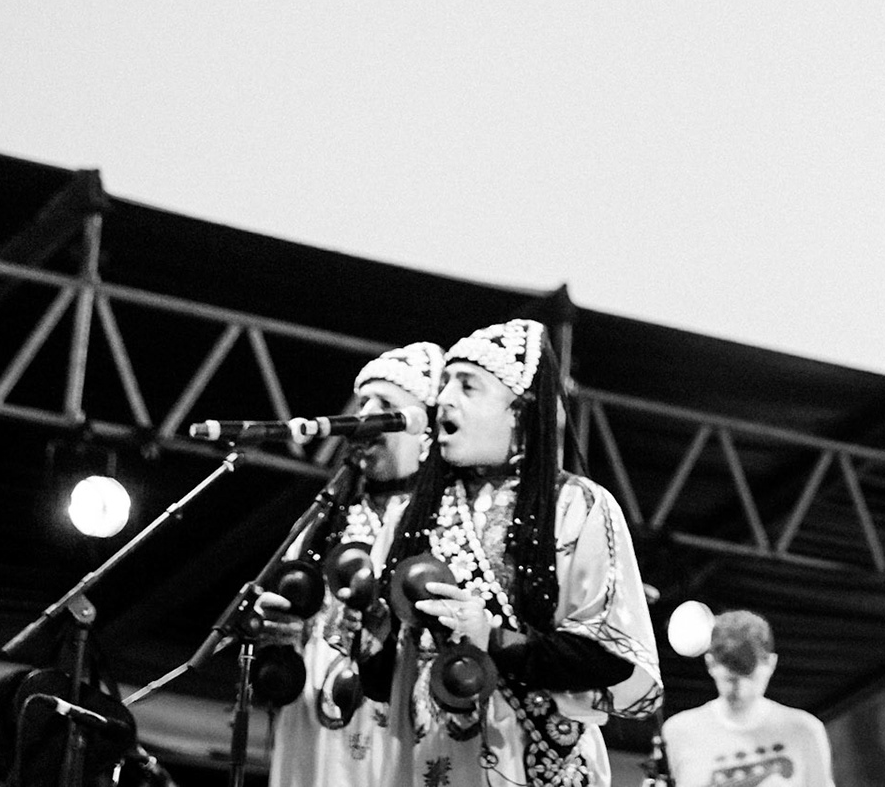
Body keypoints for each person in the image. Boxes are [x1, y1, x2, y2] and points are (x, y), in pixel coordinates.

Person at [381, 317, 662, 786]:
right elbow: (384, 676)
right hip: (436, 760)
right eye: (445, 383)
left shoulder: (578, 505)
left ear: (520, 411)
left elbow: (610, 656)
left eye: (468, 387)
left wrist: (491, 638)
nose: (445, 398)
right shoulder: (416, 515)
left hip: (539, 764)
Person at [266, 340, 443, 787]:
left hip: (402, 723)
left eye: (385, 405)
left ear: (427, 428)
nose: (365, 415)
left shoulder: (450, 525)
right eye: (363, 402)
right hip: (317, 728)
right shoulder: (323, 521)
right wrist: (275, 630)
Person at [661, 610, 835, 787]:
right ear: (710, 663)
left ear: (771, 663)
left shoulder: (804, 729)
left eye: (751, 678)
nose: (741, 691)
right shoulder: (678, 732)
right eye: (731, 680)